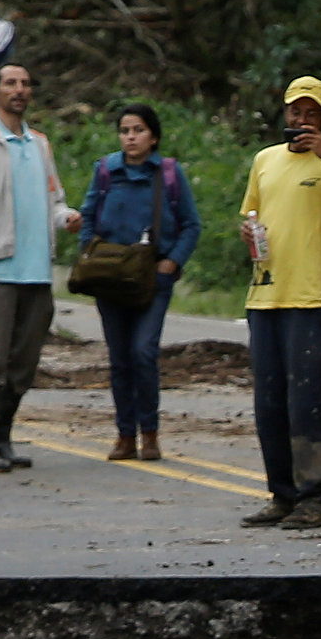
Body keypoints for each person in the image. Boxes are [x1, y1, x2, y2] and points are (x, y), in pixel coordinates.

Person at [237, 74, 321, 528]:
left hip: (308, 298)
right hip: (264, 295)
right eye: (296, 111)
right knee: (269, 403)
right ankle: (282, 495)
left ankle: (313, 499)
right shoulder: (265, 160)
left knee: (307, 401)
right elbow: (250, 214)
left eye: (311, 113)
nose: (301, 119)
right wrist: (248, 234)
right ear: (286, 113)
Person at [0, 61, 79, 474]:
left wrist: (66, 218)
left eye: (25, 83)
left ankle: (2, 437)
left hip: (37, 269)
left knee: (24, 362)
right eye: (10, 83)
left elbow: (54, 200)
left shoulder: (39, 144)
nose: (19, 90)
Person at [76, 102, 202, 462]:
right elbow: (88, 215)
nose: (131, 138)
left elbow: (192, 225)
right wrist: (89, 252)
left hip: (151, 281)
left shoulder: (169, 174)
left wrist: (172, 262)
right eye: (125, 131)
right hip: (110, 278)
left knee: (143, 352)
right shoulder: (105, 171)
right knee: (119, 359)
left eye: (138, 130)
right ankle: (124, 435)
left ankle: (150, 432)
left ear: (154, 136)